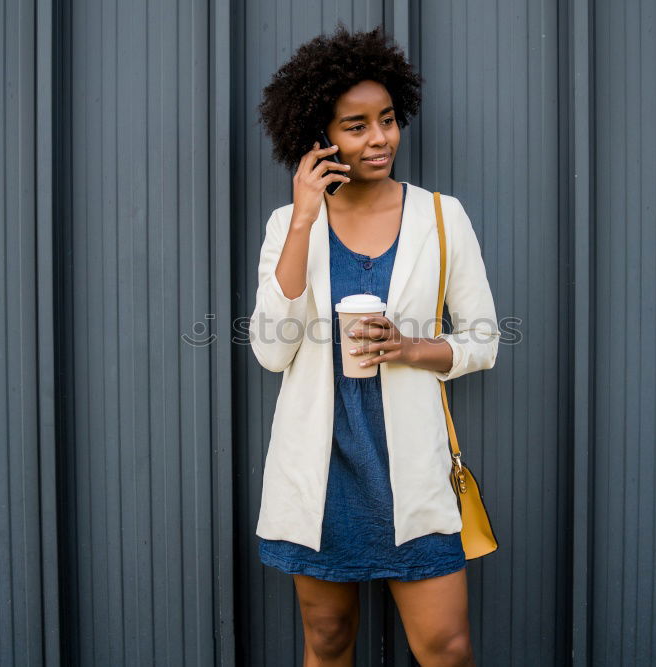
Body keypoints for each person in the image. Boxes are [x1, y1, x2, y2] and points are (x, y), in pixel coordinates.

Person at [250, 23, 499, 667]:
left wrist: (410, 348)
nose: (380, 138)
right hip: (321, 473)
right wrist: (305, 216)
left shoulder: (443, 219)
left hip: (410, 471)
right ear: (320, 135)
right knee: (328, 643)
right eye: (355, 125)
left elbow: (484, 340)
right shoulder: (288, 226)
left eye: (386, 119)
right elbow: (272, 350)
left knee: (446, 647)